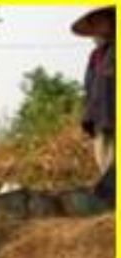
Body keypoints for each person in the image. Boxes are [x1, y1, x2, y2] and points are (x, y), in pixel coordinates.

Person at [72, 6, 115, 176]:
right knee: (106, 169)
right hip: (100, 119)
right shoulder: (96, 56)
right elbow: (89, 87)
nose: (97, 26)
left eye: (100, 21)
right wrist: (88, 116)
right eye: (93, 23)